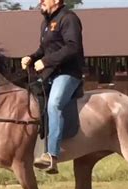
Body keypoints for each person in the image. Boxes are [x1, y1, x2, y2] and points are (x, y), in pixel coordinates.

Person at [22, 0, 84, 174]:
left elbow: (73, 47)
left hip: (68, 74)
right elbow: (44, 49)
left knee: (54, 104)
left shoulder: (69, 18)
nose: (40, 2)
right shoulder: (46, 22)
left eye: (43, 0)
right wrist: (32, 57)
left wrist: (46, 61)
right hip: (50, 75)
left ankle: (52, 156)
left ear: (56, 1)